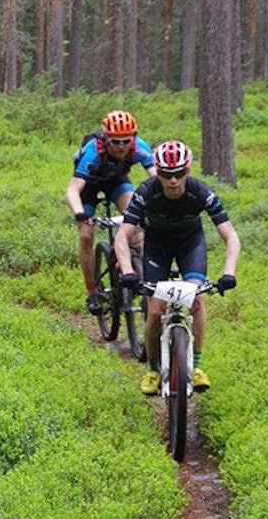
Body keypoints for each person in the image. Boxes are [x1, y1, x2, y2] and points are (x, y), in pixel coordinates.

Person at [114, 140, 241, 395]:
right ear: (157, 172)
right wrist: (127, 270)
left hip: (189, 245)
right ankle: (152, 369)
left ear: (188, 171)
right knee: (155, 309)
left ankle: (197, 365)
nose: (173, 181)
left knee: (197, 300)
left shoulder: (201, 191)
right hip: (157, 247)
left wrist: (229, 272)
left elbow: (231, 236)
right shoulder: (146, 192)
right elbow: (122, 236)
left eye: (179, 173)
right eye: (166, 174)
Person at [65, 110, 156, 314]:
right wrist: (81, 214)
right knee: (86, 236)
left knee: (135, 218)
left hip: (116, 182)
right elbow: (72, 190)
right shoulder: (93, 152)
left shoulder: (139, 147)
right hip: (88, 186)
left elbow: (157, 178)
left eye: (126, 141)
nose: (122, 147)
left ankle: (136, 267)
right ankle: (92, 291)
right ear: (106, 138)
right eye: (116, 141)